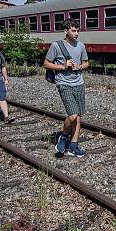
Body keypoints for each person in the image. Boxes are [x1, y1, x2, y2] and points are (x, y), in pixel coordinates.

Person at [43, 19, 89, 158]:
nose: (76, 33)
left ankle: (73, 146)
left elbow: (86, 63)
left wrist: (79, 67)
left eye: (77, 30)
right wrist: (63, 66)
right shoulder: (56, 46)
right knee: (73, 115)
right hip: (64, 83)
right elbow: (46, 64)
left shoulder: (81, 46)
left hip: (78, 83)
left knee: (78, 117)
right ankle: (63, 136)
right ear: (66, 31)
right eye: (73, 31)